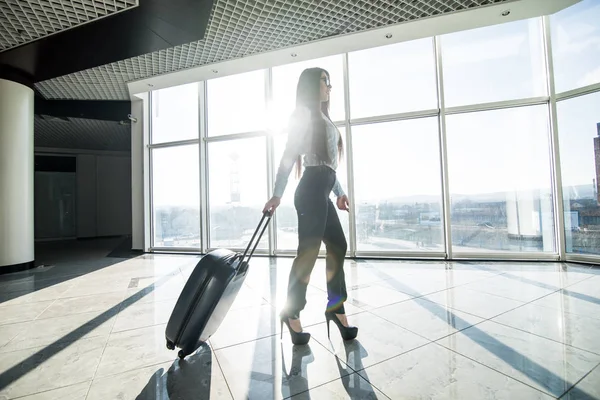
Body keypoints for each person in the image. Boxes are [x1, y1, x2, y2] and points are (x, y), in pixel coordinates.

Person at [263, 67, 358, 345]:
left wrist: (339, 193)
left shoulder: (324, 117)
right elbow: (288, 157)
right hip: (310, 192)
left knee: (338, 245)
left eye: (330, 83)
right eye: (325, 81)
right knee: (308, 254)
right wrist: (276, 195)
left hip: (323, 191)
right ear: (310, 85)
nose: (329, 87)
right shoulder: (303, 116)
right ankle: (291, 312)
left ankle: (336, 307)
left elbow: (328, 164)